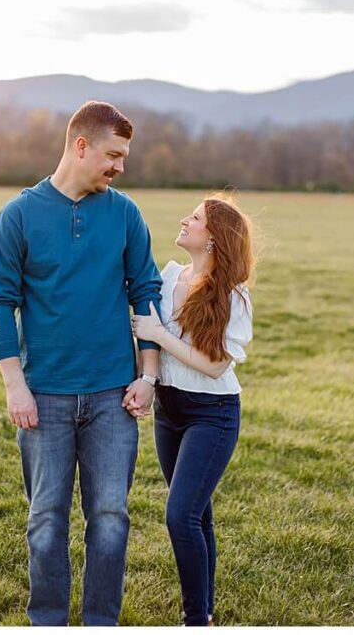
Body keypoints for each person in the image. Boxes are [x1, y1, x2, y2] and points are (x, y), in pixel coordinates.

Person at [0, 101, 162, 626]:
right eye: (113, 155)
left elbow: (145, 291)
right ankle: (49, 621)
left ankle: (101, 623)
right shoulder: (18, 215)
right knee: (45, 521)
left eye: (124, 157)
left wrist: (148, 376)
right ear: (80, 146)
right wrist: (15, 385)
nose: (120, 168)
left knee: (110, 518)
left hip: (113, 397)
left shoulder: (125, 213)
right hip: (45, 397)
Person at [131, 196, 254, 627]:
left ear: (214, 238)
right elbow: (144, 334)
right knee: (197, 515)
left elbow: (216, 365)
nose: (185, 220)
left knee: (180, 515)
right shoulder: (168, 277)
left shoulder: (232, 298)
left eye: (196, 218)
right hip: (170, 409)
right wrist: (144, 381)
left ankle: (195, 619)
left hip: (212, 414)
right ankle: (204, 610)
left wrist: (159, 335)